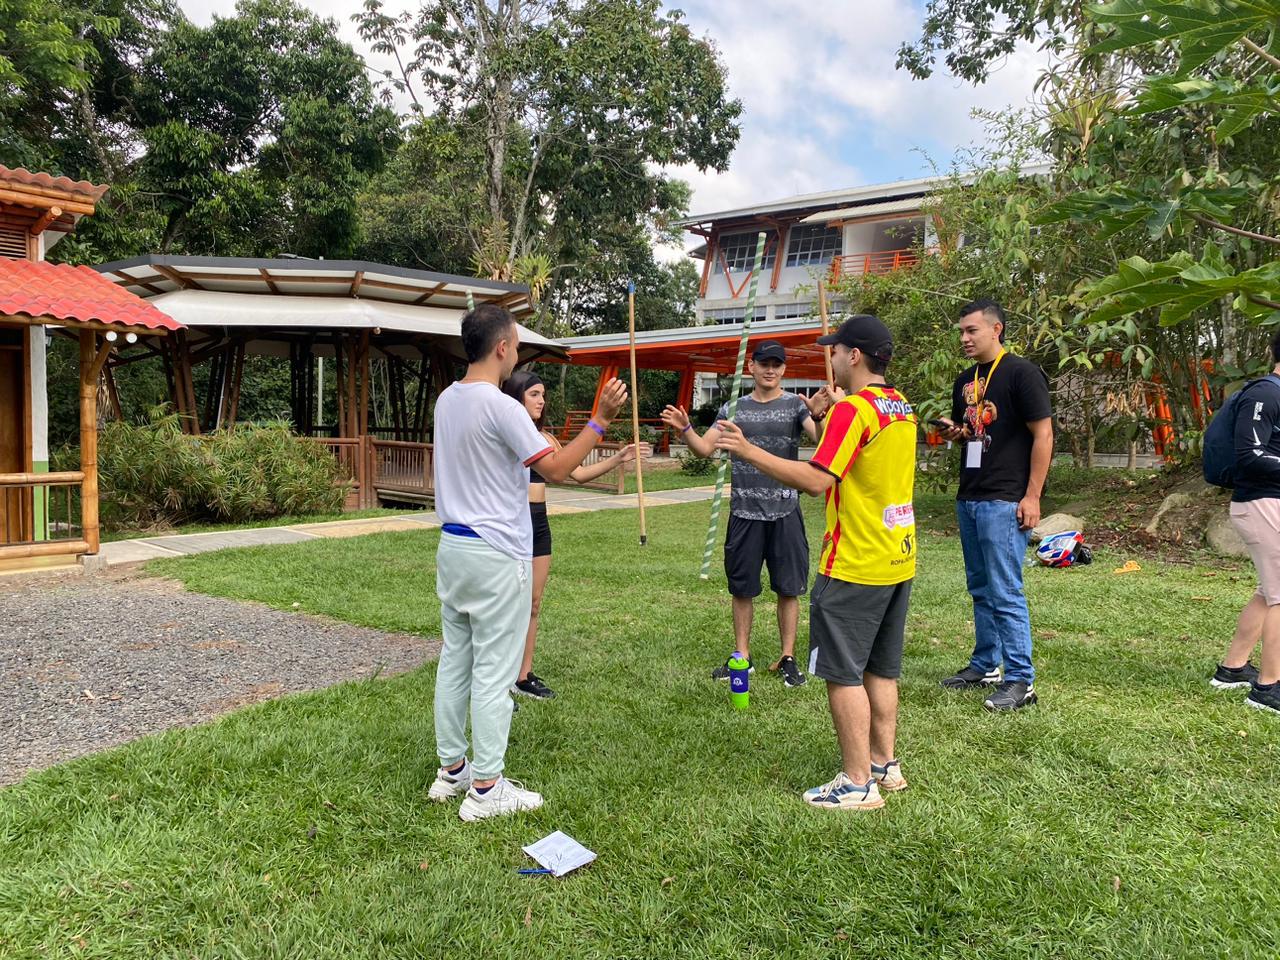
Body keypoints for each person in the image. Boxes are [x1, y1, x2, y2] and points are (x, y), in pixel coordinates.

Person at [427, 304, 627, 821]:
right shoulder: (501, 406)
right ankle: (487, 788)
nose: (517, 351)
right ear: (501, 348)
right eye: (515, 342)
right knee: (494, 673)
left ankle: (452, 772)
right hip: (496, 553)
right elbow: (557, 469)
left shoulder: (447, 400)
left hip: (453, 547)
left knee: (456, 659)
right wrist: (600, 421)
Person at [716, 315, 916, 810]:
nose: (829, 358)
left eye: (834, 350)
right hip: (897, 558)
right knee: (881, 669)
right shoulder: (901, 406)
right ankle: (884, 765)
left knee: (843, 673)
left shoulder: (855, 410)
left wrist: (747, 449)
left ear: (853, 356)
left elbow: (815, 479)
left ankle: (855, 782)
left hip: (855, 561)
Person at [661, 341, 834, 687]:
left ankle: (788, 657)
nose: (770, 370)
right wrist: (686, 430)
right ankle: (742, 655)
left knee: (789, 588)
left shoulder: (794, 406)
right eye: (764, 364)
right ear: (750, 368)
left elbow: (823, 441)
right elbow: (705, 449)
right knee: (742, 589)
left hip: (785, 511)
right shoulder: (733, 408)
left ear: (784, 370)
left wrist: (816, 413)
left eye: (777, 364)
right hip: (744, 512)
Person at [501, 370, 651, 700]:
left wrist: (620, 457)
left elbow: (577, 473)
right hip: (513, 522)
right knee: (508, 604)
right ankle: (498, 682)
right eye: (534, 395)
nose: (541, 401)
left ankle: (523, 676)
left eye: (543, 395)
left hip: (539, 521)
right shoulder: (509, 434)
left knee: (534, 603)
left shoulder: (547, 439)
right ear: (516, 398)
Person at [936, 299, 1053, 712]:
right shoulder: (965, 380)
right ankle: (986, 664)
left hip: (1005, 497)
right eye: (962, 332)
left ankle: (1022, 680)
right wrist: (956, 433)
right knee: (980, 587)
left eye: (972, 331)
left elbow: (1043, 435)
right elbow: (973, 431)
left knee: (1005, 590)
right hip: (970, 494)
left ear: (996, 329)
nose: (965, 338)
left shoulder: (1022, 373)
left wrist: (1033, 494)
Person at [1212, 329, 1280, 714]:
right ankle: (1269, 689)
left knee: (1269, 591)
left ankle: (1233, 669)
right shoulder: (1266, 393)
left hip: (1268, 503)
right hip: (1260, 503)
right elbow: (1249, 454)